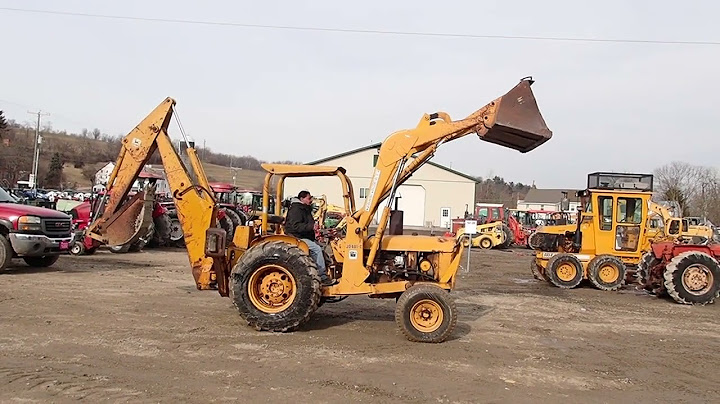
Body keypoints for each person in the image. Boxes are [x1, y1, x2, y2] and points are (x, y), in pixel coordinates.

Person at [285, 190, 337, 286]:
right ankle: (322, 277)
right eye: (309, 198)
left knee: (321, 249)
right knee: (316, 249)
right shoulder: (296, 210)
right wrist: (311, 227)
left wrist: (323, 232)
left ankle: (323, 273)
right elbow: (295, 226)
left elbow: (309, 226)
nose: (311, 200)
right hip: (296, 237)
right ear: (302, 199)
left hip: (304, 236)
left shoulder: (304, 209)